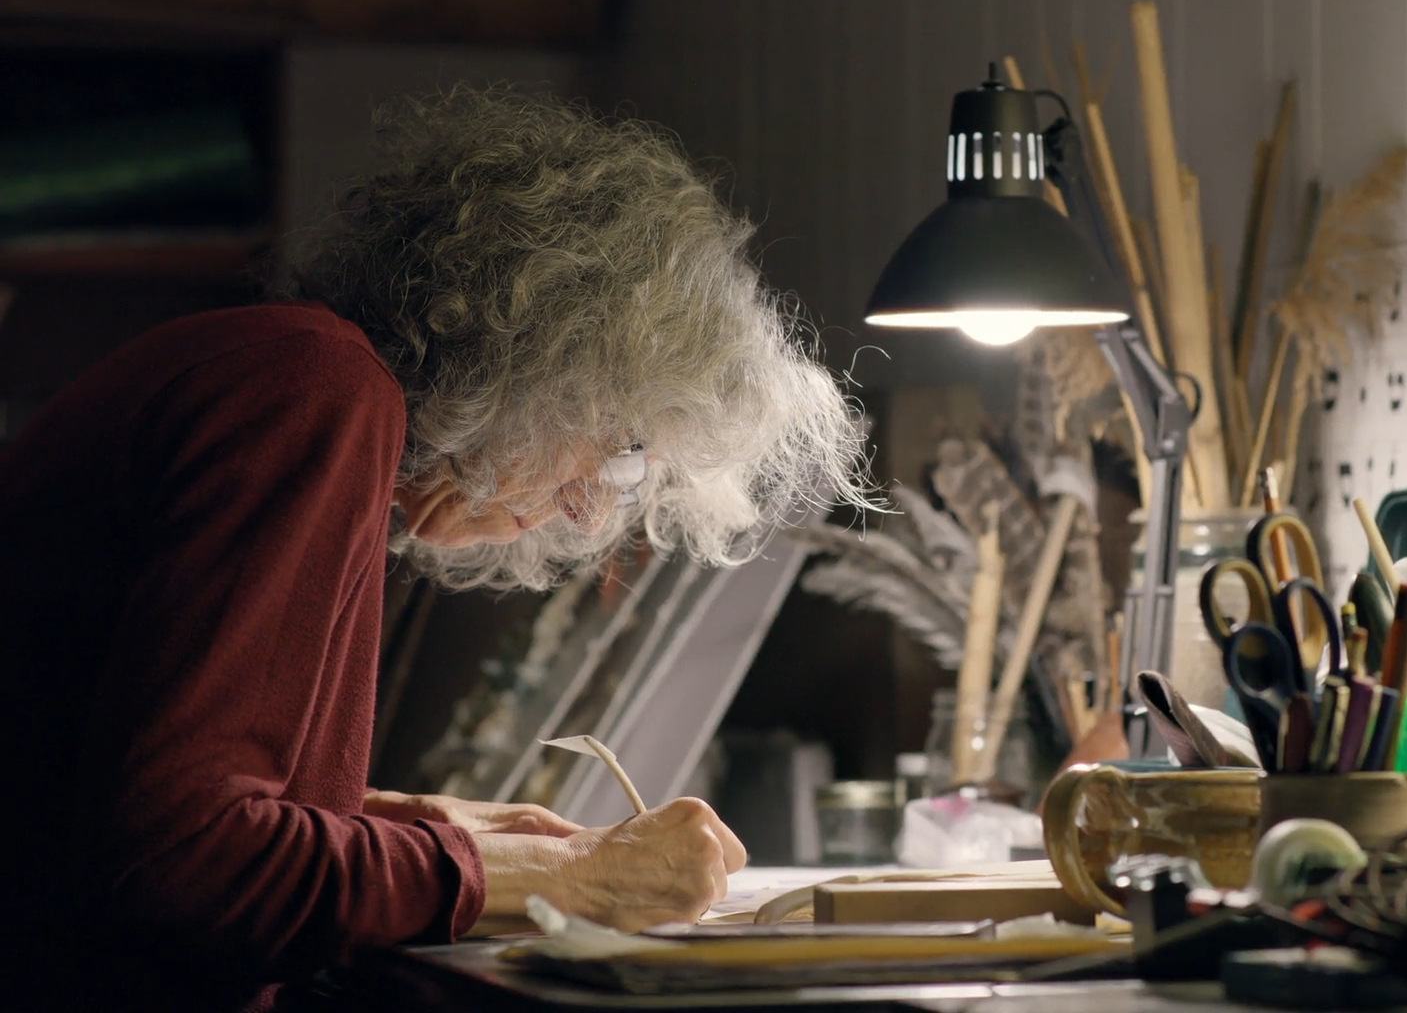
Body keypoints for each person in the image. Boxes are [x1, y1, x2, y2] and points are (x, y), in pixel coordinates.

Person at [0, 87, 869, 1011]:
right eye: (624, 450)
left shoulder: (281, 374)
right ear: (555, 356)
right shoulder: (314, 391)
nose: (586, 513)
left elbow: (94, 792)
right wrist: (563, 878)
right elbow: (182, 862)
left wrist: (400, 824)